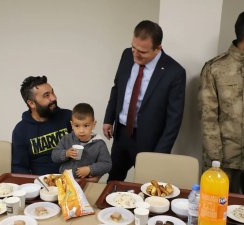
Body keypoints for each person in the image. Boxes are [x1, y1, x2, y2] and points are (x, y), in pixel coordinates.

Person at [103, 20, 186, 181]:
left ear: (157, 48)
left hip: (150, 141)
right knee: (113, 180)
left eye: (142, 51)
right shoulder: (127, 55)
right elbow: (117, 88)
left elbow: (174, 120)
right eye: (133, 47)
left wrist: (160, 154)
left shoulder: (175, 72)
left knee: (146, 188)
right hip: (121, 134)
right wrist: (109, 118)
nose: (135, 54)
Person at [199, 12, 244, 194]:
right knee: (217, 214)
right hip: (225, 162)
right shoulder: (215, 68)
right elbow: (208, 119)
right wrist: (215, 163)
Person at [12, 76, 72, 175]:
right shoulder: (21, 131)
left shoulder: (68, 117)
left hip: (73, 181)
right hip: (41, 185)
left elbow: (89, 147)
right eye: (46, 95)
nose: (53, 98)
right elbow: (19, 168)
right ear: (31, 103)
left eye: (52, 92)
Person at [52, 103, 112, 182]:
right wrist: (66, 153)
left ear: (93, 124)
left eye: (86, 126)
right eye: (77, 126)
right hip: (65, 181)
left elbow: (107, 165)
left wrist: (90, 169)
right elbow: (54, 156)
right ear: (72, 125)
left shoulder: (99, 144)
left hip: (87, 183)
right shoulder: (66, 139)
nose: (81, 131)